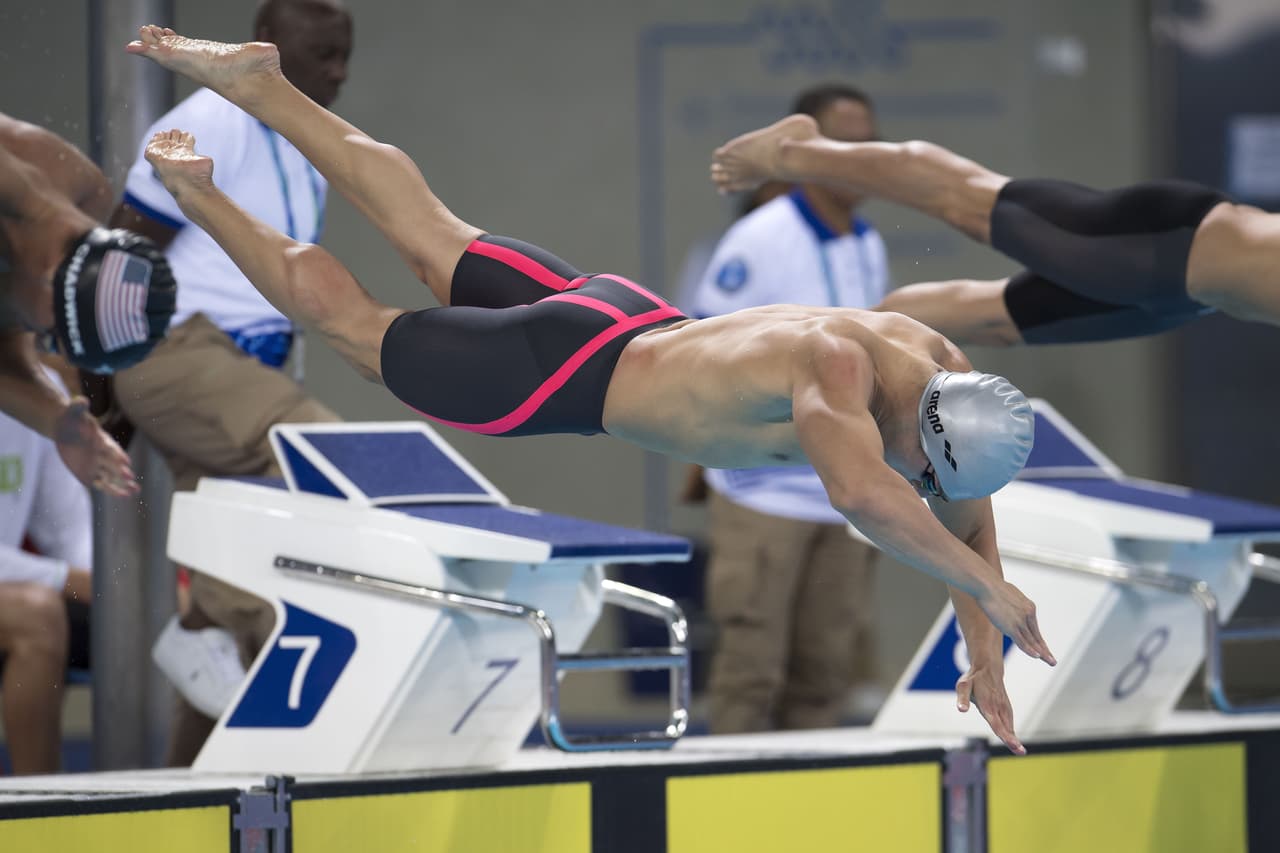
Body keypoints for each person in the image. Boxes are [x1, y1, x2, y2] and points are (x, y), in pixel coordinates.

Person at [127, 25, 1056, 754]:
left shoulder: (931, 356)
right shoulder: (840, 376)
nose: (924, 484)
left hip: (624, 312)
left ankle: (264, 87)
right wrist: (992, 589)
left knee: (428, 228)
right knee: (360, 335)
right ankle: (200, 195)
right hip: (572, 375)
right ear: (926, 436)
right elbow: (869, 499)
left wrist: (986, 646)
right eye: (926, 471)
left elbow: (960, 510)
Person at [108, 0, 352, 765]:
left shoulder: (301, 139)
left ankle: (185, 797)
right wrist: (98, 383)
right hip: (179, 351)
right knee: (329, 454)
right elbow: (123, 250)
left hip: (243, 369)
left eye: (347, 55)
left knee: (257, 617)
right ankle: (194, 626)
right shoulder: (210, 118)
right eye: (320, 55)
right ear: (266, 50)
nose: (337, 72)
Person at [710, 114, 1280, 347]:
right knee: (968, 201)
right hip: (1167, 244)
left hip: (1185, 297)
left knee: (989, 319)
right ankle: (797, 152)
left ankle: (816, 341)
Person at [687, 84, 888, 734]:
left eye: (868, 141)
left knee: (826, 674)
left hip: (842, 491)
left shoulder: (870, 244)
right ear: (804, 151)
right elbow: (701, 352)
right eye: (845, 141)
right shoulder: (760, 239)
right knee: (751, 672)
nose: (862, 154)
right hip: (763, 490)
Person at [0, 113, 170, 498]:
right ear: (49, 277)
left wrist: (56, 418)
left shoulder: (85, 201)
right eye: (48, 335)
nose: (44, 349)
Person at [0, 369, 93, 774]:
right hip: (21, 597)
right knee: (37, 615)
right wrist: (68, 579)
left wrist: (116, 589)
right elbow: (66, 574)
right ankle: (36, 805)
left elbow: (68, 531)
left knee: (159, 609)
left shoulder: (42, 390)